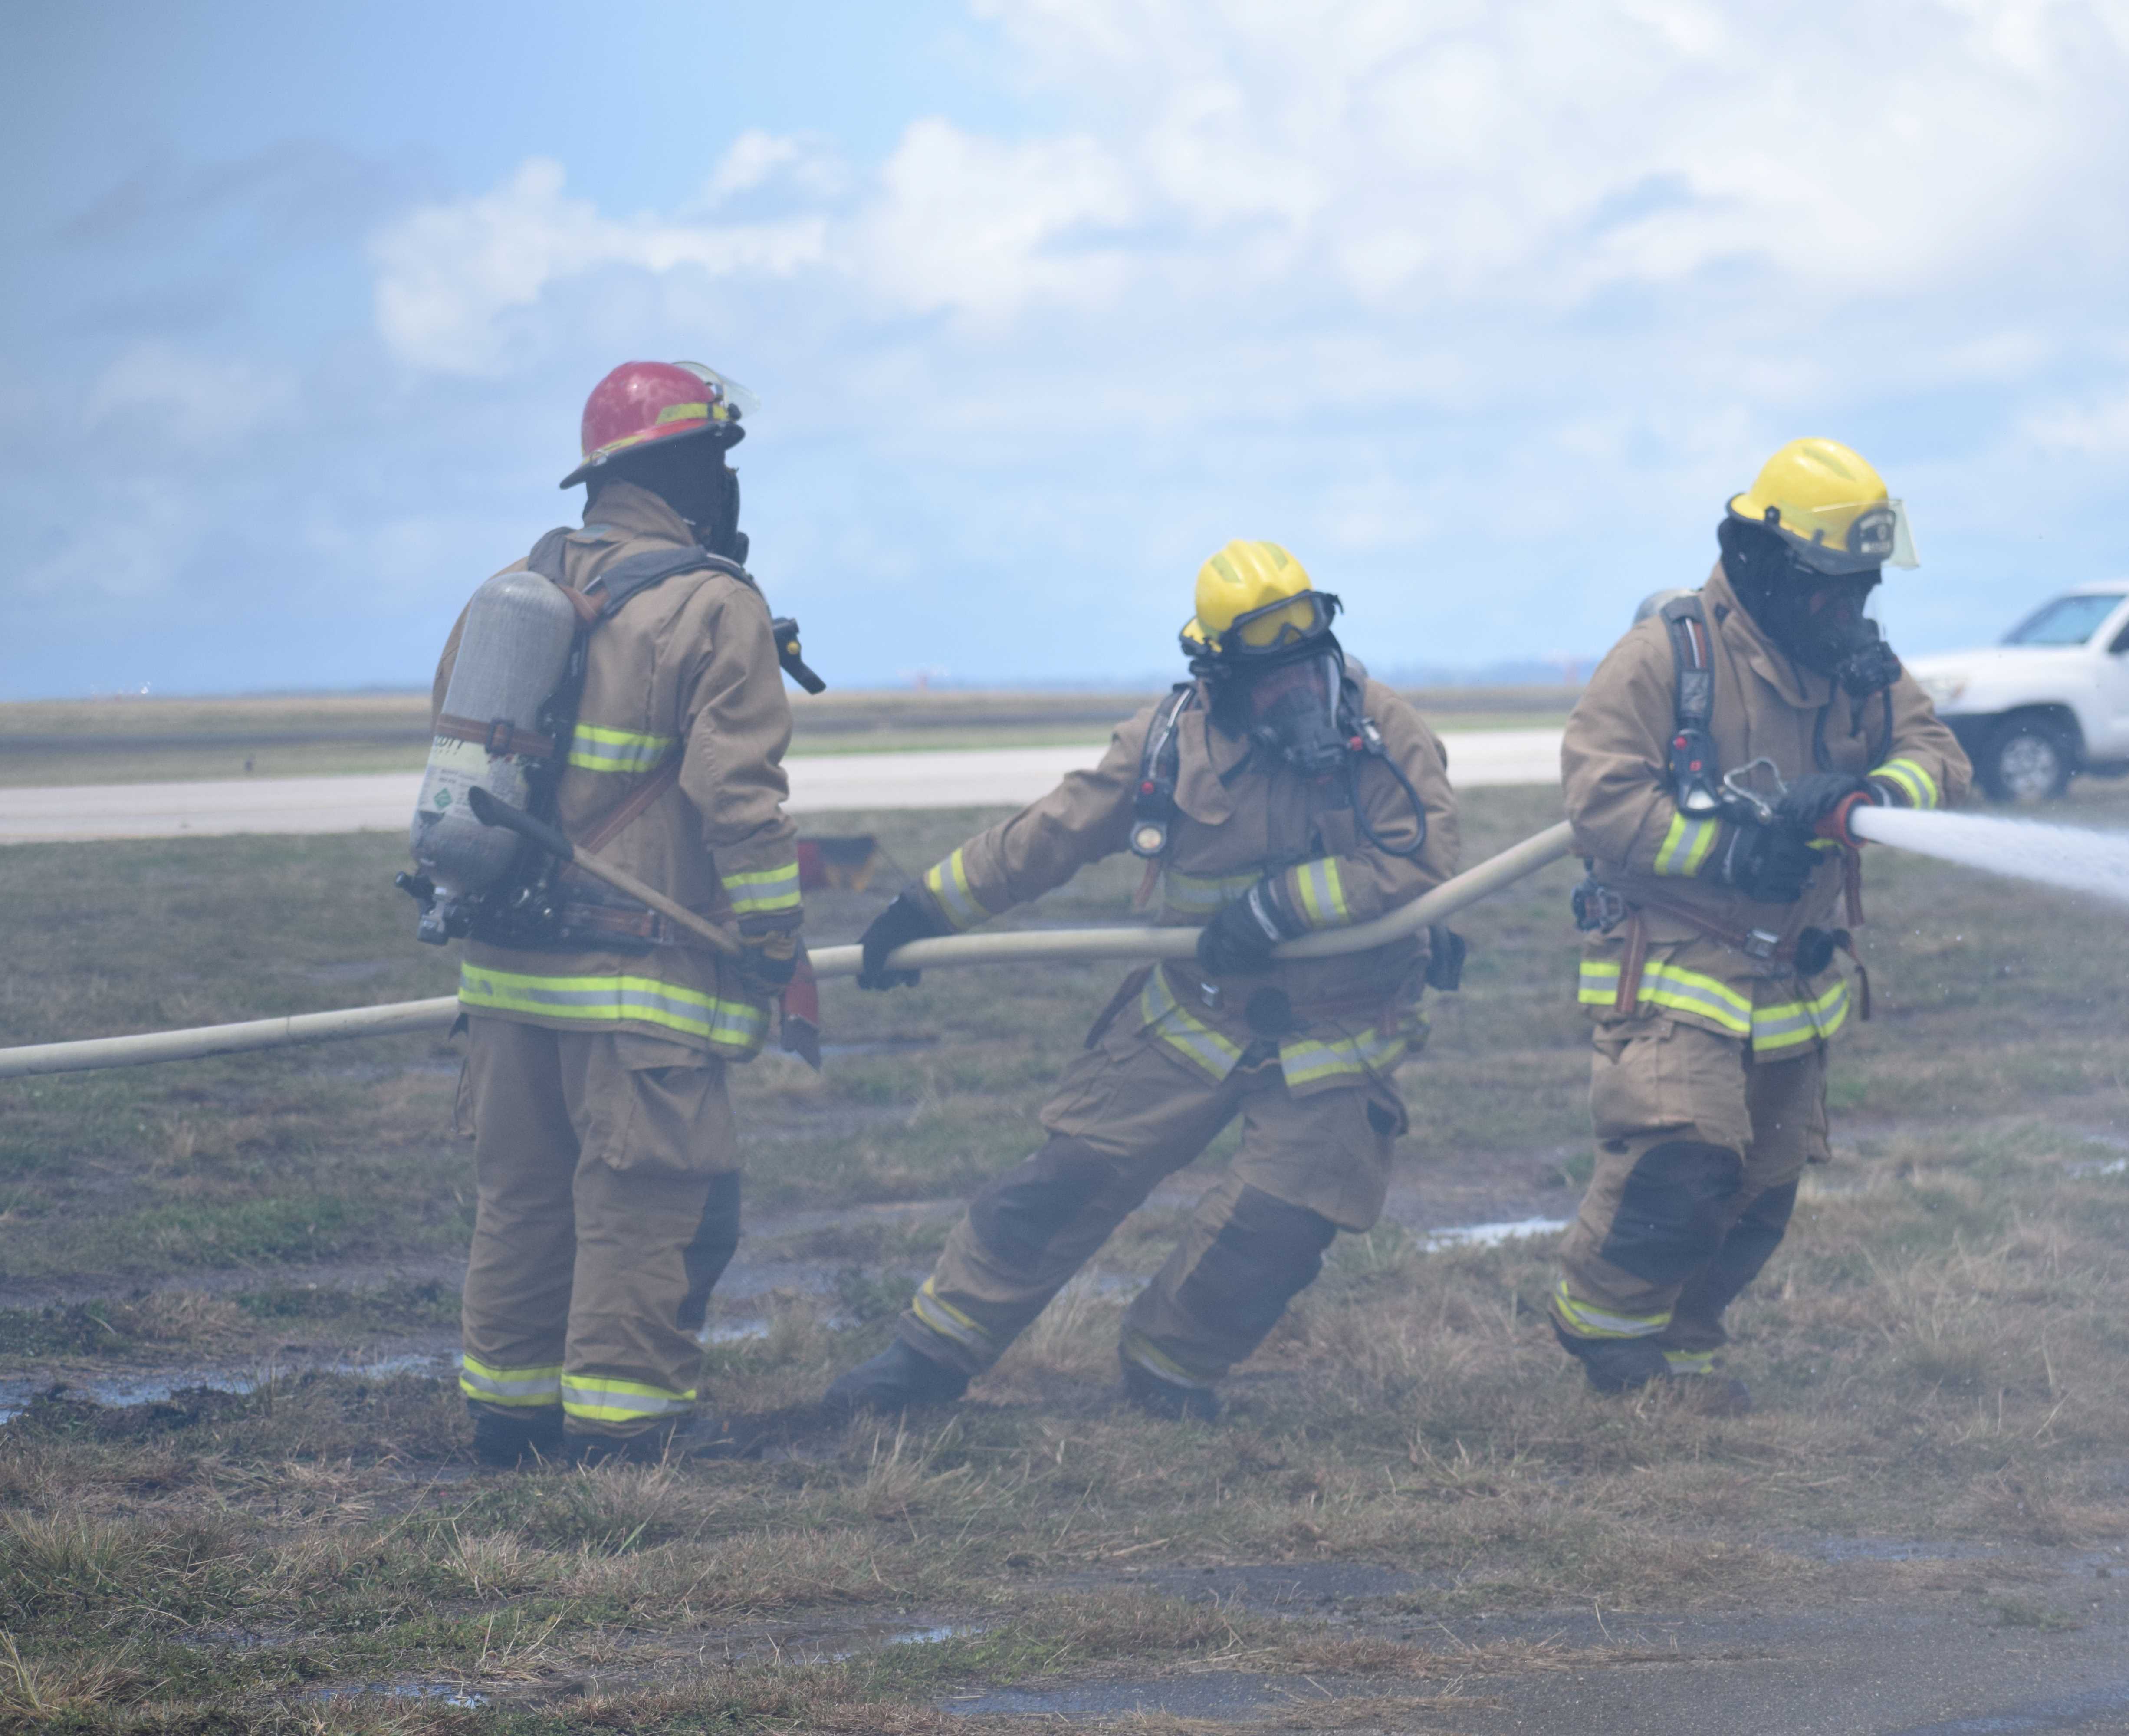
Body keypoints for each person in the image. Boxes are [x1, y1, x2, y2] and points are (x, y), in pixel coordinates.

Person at [822, 541, 1459, 1423]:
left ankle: (1171, 1365)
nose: (1299, 695)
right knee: (1060, 1183)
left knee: (1276, 1224)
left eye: (1308, 669)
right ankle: (928, 1353)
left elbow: (1423, 859)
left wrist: (1277, 909)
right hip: (1188, 1014)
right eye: (1271, 679)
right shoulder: (1165, 742)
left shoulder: (1388, 732)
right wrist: (923, 912)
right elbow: (1048, 835)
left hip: (1336, 1034)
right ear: (1219, 676)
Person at [1553, 437, 1970, 1410]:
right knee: (1685, 1164)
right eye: (1833, 587)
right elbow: (1600, 799)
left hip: (1791, 973)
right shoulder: (1669, 656)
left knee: (1758, 1195)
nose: (1851, 610)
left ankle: (1685, 1352)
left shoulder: (1856, 665)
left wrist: (1871, 792)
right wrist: (1735, 852)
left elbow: (1937, 753)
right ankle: (1606, 1334)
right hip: (1674, 956)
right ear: (1771, 567)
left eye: (1862, 588)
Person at [439, 361, 804, 1467]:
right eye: (719, 460)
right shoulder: (711, 604)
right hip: (637, 980)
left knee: (522, 1200)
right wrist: (776, 941)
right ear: (687, 468)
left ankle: (507, 1420)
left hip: (505, 971)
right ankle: (620, 1440)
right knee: (644, 1207)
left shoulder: (516, 587)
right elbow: (741, 801)